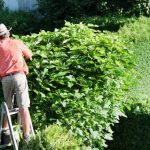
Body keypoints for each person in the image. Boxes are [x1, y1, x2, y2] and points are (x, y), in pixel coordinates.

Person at [0, 23, 32, 144]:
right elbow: (29, 55)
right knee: (24, 106)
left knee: (7, 108)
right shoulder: (17, 42)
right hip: (19, 76)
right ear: (8, 33)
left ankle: (5, 134)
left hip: (5, 79)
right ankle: (27, 136)